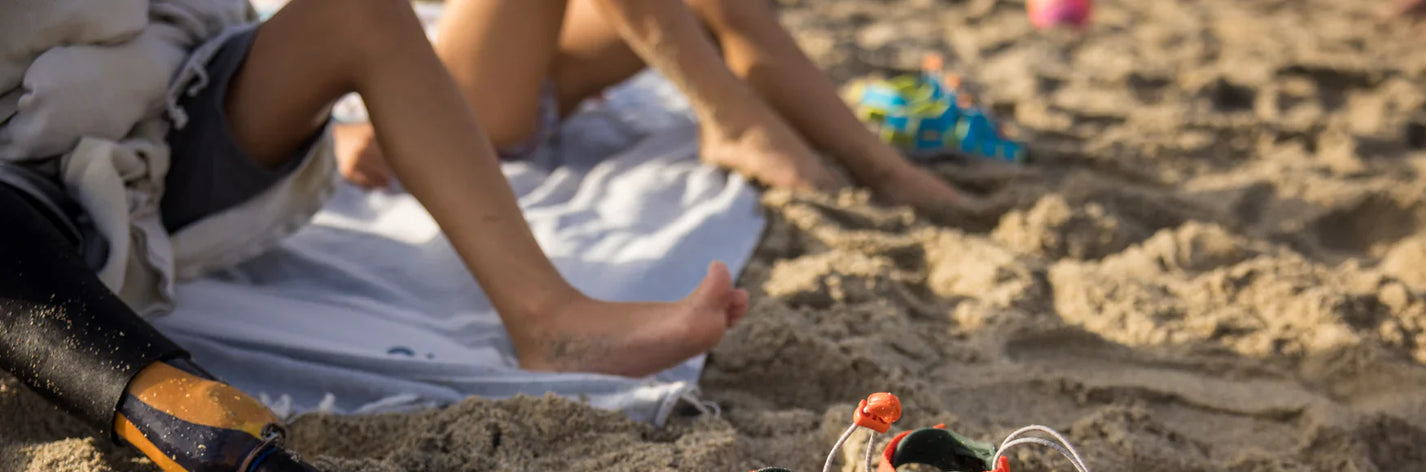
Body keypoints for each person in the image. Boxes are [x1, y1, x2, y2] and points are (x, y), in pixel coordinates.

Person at [0, 0, 746, 472]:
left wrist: (334, 119)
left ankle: (549, 318)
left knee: (360, 12)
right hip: (18, 197)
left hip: (158, 103)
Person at [332, 0, 986, 214]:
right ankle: (732, 118)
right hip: (454, 102)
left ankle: (878, 166)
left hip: (525, 71)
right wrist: (334, 135)